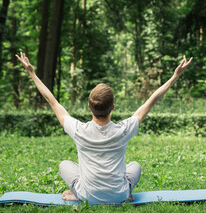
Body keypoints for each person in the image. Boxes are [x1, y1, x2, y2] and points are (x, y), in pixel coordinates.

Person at [16, 52, 192, 204]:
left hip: (88, 196)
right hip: (119, 195)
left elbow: (51, 100)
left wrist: (31, 72)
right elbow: (151, 100)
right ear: (113, 107)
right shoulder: (124, 129)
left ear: (89, 107)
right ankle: (122, 194)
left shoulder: (79, 129)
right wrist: (175, 76)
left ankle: (77, 194)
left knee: (64, 165)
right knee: (135, 166)